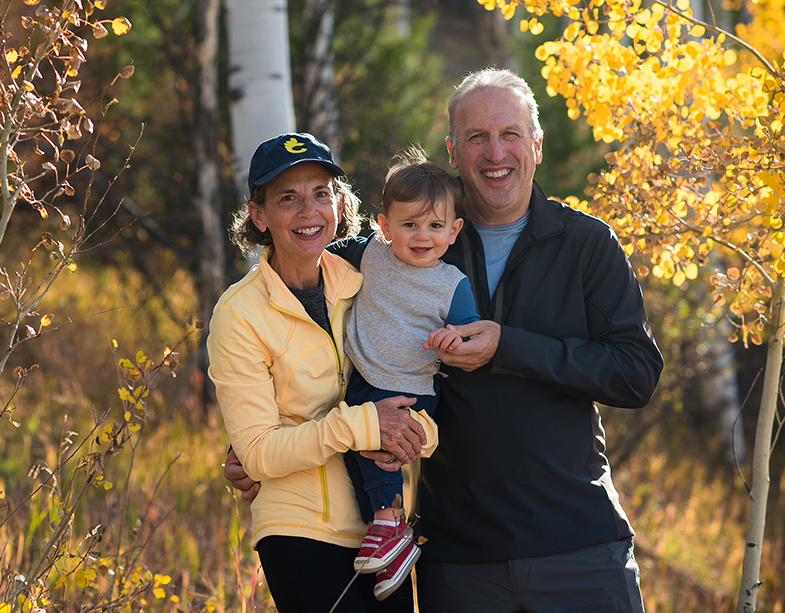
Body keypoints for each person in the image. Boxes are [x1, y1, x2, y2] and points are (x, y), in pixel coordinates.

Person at [226, 68, 664, 613]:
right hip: (456, 560)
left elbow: (636, 372)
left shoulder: (586, 243)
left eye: (510, 133)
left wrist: (508, 345)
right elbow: (312, 319)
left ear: (537, 145)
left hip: (578, 547)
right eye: (477, 137)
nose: (495, 151)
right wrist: (259, 440)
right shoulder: (404, 246)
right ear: (453, 153)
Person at [207, 132, 439, 613]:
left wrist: (418, 431)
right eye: (287, 198)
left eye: (320, 193)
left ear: (340, 203)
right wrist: (365, 424)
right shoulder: (239, 313)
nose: (308, 211)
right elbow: (257, 455)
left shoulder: (366, 281)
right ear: (259, 215)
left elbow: (408, 383)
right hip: (299, 533)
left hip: (385, 531)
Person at [327, 147, 480, 600]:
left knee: (380, 449)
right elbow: (325, 255)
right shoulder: (371, 253)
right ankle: (390, 543)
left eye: (435, 226)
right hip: (363, 375)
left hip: (410, 385)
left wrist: (453, 340)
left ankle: (391, 525)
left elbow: (469, 333)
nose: (421, 236)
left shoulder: (451, 284)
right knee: (357, 454)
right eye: (409, 224)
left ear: (454, 232)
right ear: (384, 225)